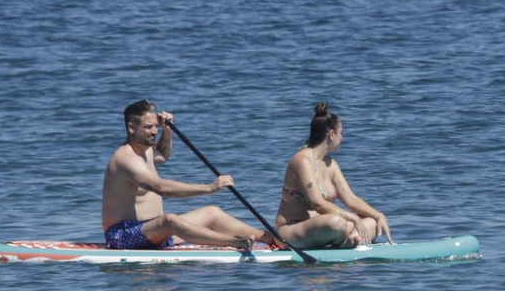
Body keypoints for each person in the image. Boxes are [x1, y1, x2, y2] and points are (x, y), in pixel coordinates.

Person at [101, 100, 278, 251]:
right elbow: (160, 188)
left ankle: (268, 238)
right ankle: (236, 242)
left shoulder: (145, 150)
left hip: (155, 233)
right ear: (131, 128)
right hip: (122, 237)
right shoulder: (126, 159)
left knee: (212, 212)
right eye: (148, 127)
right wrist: (210, 187)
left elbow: (163, 155)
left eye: (156, 125)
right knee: (169, 220)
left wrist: (167, 131)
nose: (154, 131)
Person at [275, 102, 393, 249]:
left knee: (373, 223)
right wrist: (352, 218)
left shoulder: (330, 163)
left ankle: (348, 240)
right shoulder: (302, 161)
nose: (342, 138)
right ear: (331, 134)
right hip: (293, 230)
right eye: (340, 133)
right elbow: (317, 203)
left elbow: (350, 199)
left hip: (327, 230)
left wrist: (378, 215)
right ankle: (348, 240)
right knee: (337, 223)